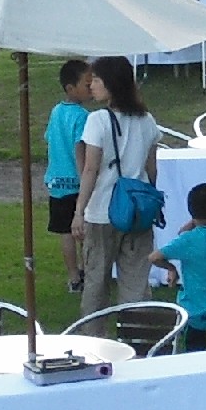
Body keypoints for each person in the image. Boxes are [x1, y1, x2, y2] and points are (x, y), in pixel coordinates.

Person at [73, 55, 161, 312]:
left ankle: (93, 333)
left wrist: (79, 211)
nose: (91, 85)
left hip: (102, 210)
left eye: (96, 80)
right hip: (137, 211)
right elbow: (152, 169)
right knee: (136, 282)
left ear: (111, 84)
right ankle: (135, 330)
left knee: (96, 282)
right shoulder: (147, 120)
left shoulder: (97, 120)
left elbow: (91, 169)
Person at [154, 183, 206, 351]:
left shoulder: (187, 241)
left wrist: (171, 268)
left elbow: (154, 257)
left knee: (188, 341)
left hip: (194, 308)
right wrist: (194, 222)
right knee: (197, 339)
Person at [46, 58, 96, 298]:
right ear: (70, 88)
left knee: (65, 231)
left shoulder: (56, 111)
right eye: (87, 84)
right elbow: (80, 150)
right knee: (83, 230)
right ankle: (88, 271)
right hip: (76, 183)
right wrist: (85, 178)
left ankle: (73, 277)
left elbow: (49, 140)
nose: (91, 88)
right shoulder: (82, 116)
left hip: (56, 182)